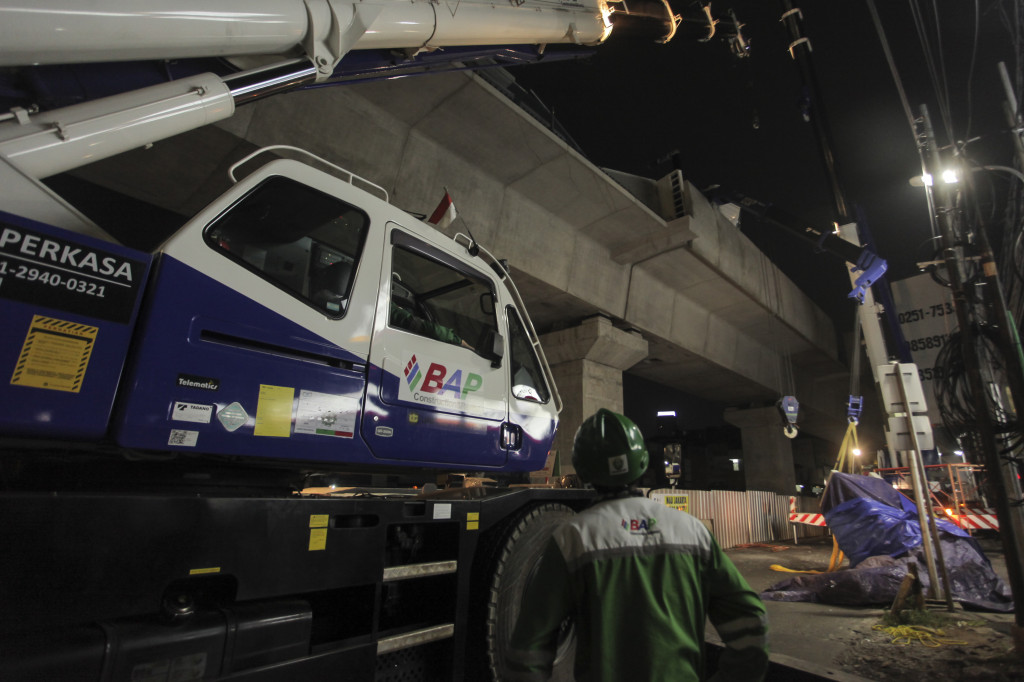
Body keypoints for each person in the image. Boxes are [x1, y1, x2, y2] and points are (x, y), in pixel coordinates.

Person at [507, 408, 769, 682]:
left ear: (583, 470)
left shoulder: (572, 538)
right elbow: (751, 622)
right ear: (642, 462)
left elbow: (528, 650)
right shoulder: (693, 532)